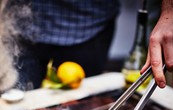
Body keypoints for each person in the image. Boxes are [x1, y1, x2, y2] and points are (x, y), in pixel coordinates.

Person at [3, 0, 173, 91]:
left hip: (89, 26)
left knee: (82, 107)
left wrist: (169, 11)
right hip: (21, 26)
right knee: (20, 104)